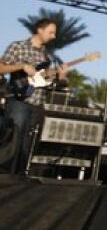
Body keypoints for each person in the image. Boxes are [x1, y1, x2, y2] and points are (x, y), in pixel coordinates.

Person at [0, 18, 65, 174]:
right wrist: (22, 66)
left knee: (29, 144)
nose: (53, 36)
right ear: (39, 30)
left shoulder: (47, 57)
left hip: (38, 103)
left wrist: (60, 76)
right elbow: (1, 68)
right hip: (19, 101)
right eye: (51, 32)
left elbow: (47, 81)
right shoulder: (18, 47)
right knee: (13, 140)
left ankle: (20, 176)